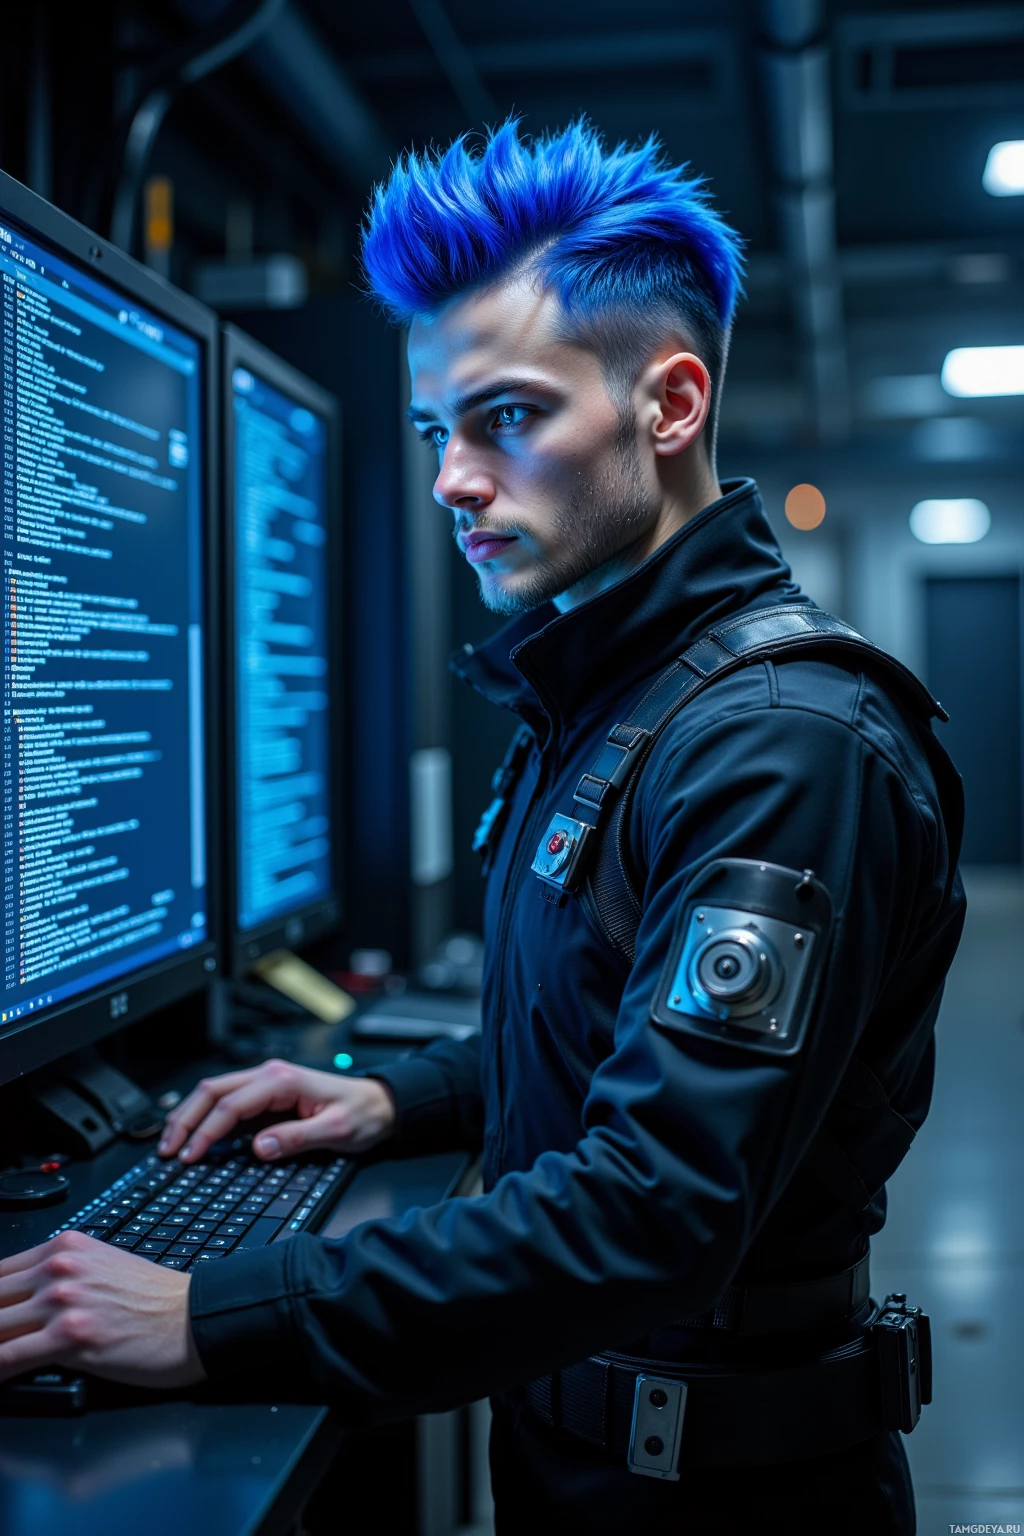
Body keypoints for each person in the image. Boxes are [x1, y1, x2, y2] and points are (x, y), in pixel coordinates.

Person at [0, 120, 964, 1534]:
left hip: (716, 1496)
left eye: (506, 416)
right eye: (437, 430)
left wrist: (213, 1311)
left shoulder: (783, 746)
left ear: (671, 404)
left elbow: (655, 1210)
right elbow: (607, 1005)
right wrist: (408, 1095)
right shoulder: (616, 695)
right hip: (587, 1457)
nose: (453, 478)